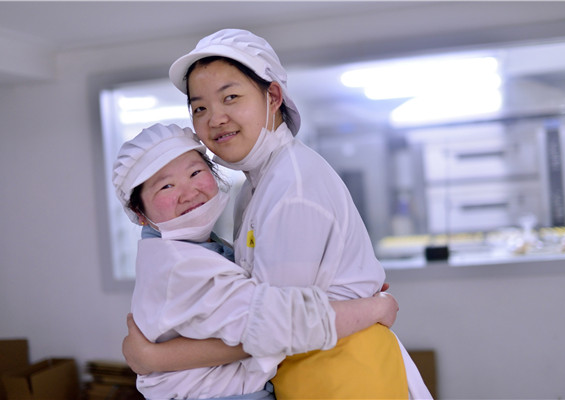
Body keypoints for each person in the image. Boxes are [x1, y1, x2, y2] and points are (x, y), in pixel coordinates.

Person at [124, 29, 432, 399]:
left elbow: (278, 329)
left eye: (231, 97)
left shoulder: (292, 189)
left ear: (272, 96)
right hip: (308, 366)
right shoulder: (257, 185)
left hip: (340, 370)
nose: (215, 118)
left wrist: (154, 358)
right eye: (200, 107)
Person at [113, 122, 401, 400]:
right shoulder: (179, 265)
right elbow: (280, 326)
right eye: (166, 187)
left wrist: (152, 358)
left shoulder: (201, 246)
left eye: (195, 172)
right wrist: (375, 306)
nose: (190, 192)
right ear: (139, 213)